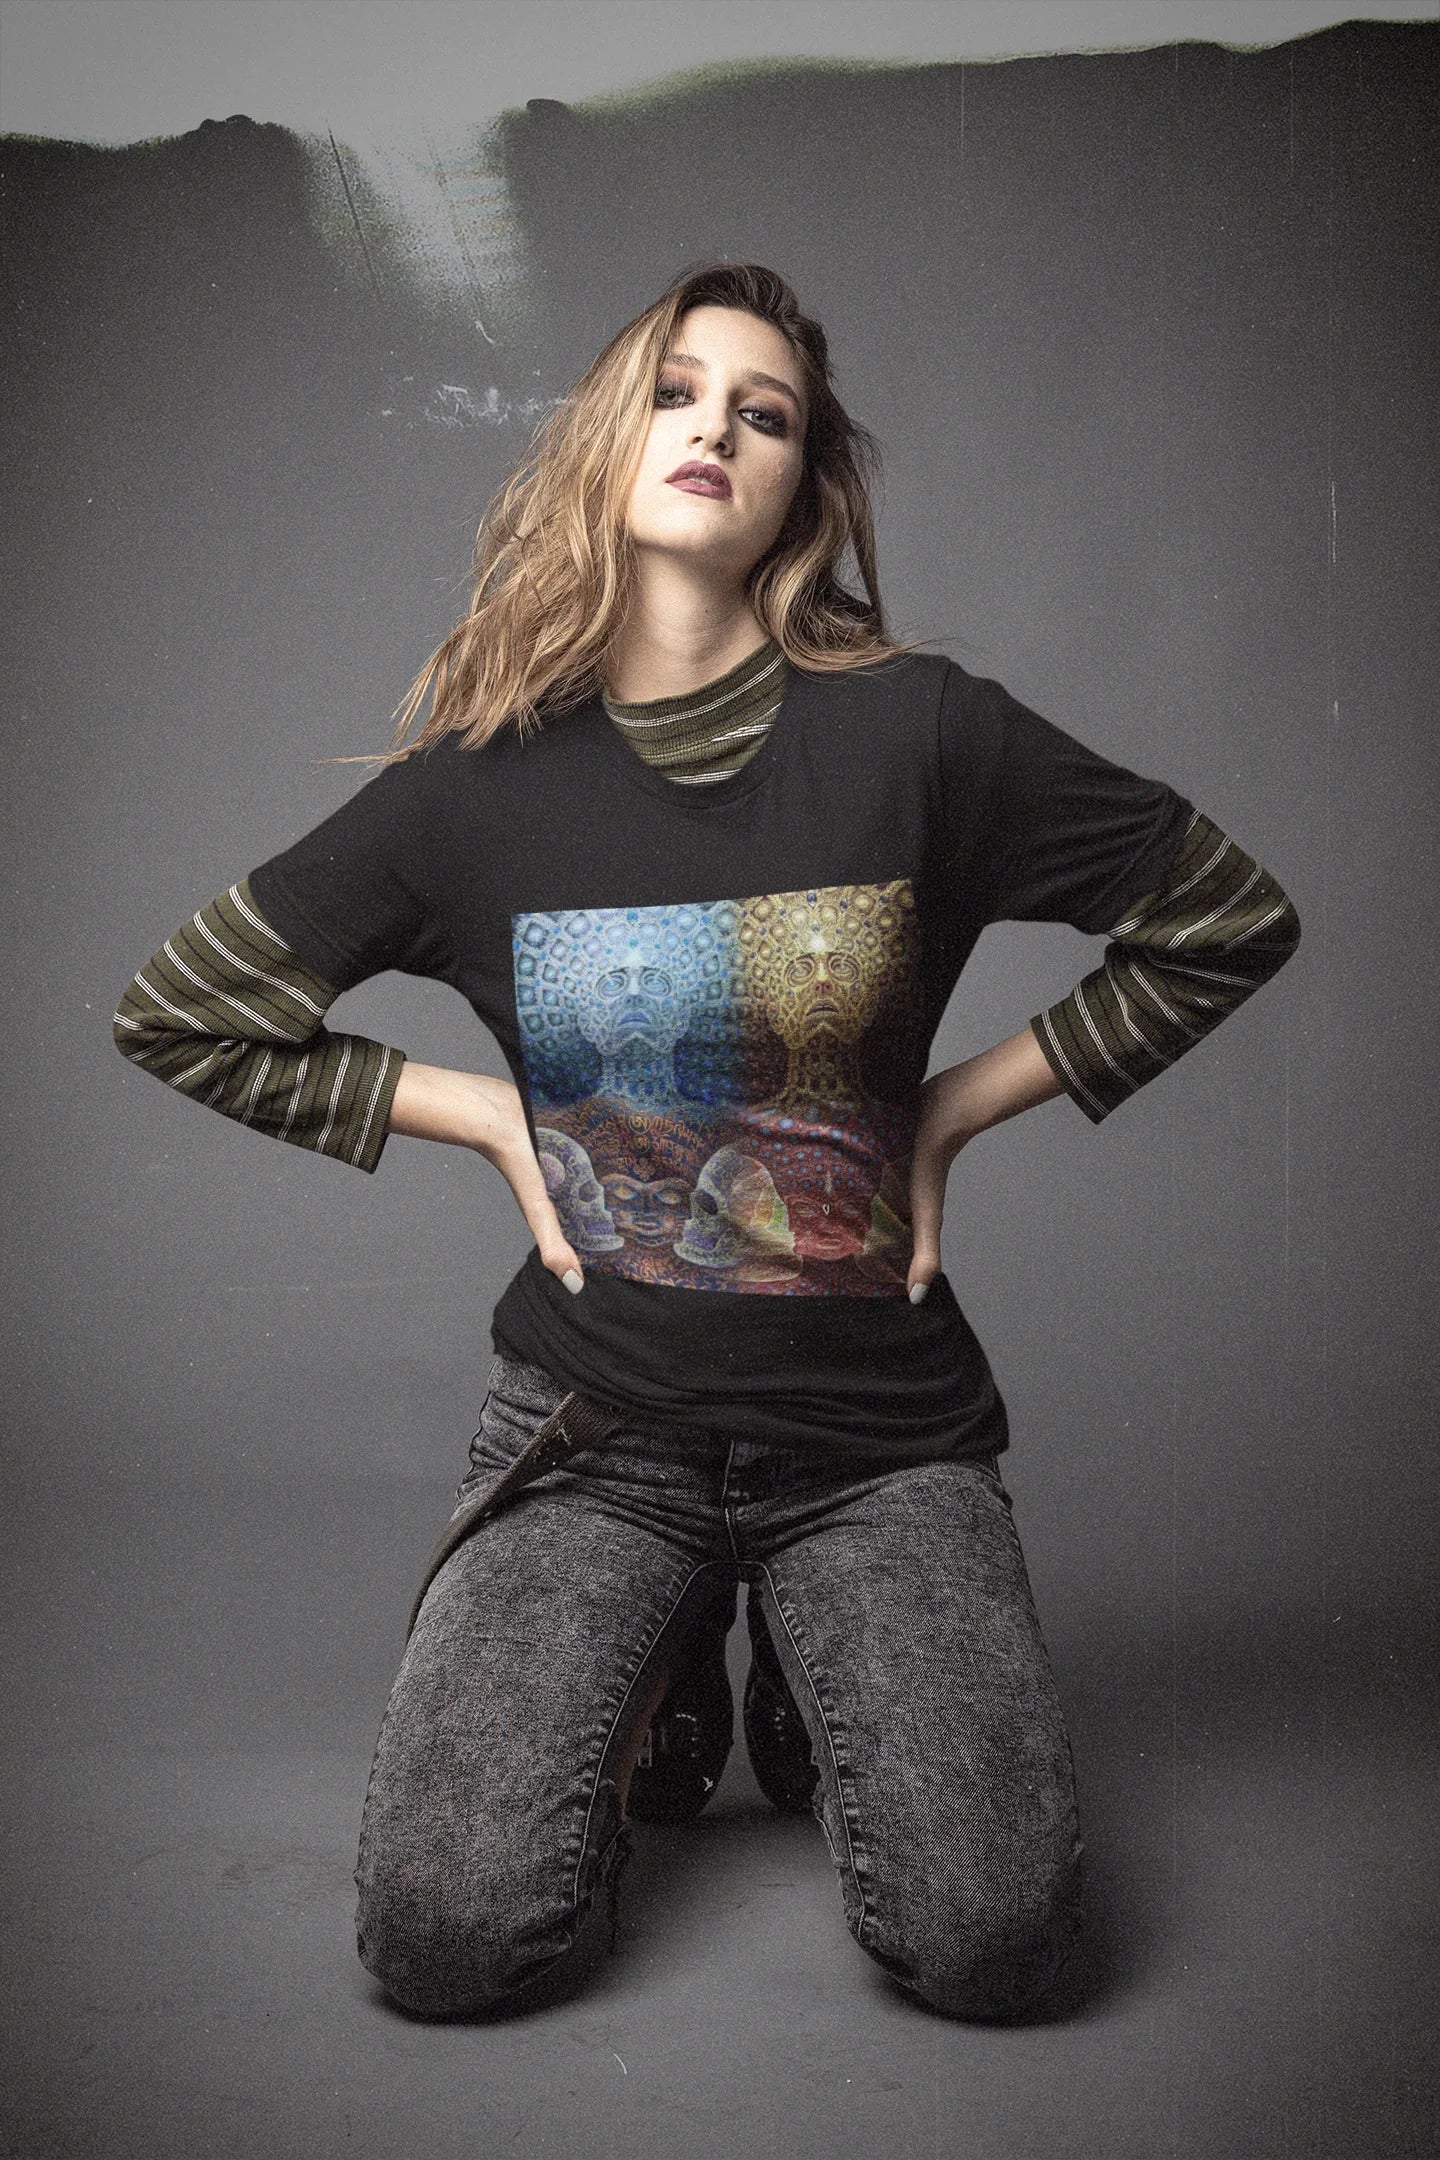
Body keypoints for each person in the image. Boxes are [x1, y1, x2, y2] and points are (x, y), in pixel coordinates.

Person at [113, 260, 1300, 2022]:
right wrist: (484, 1116)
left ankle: (807, 1685)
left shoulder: (922, 735)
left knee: (997, 1947)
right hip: (599, 1430)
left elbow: (1226, 918)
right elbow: (182, 1009)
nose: (714, 431)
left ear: (801, 486)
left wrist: (950, 1113)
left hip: (875, 1438)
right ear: (608, 437)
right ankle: (663, 1650)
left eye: (766, 414)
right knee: (443, 1940)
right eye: (675, 392)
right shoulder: (475, 788)